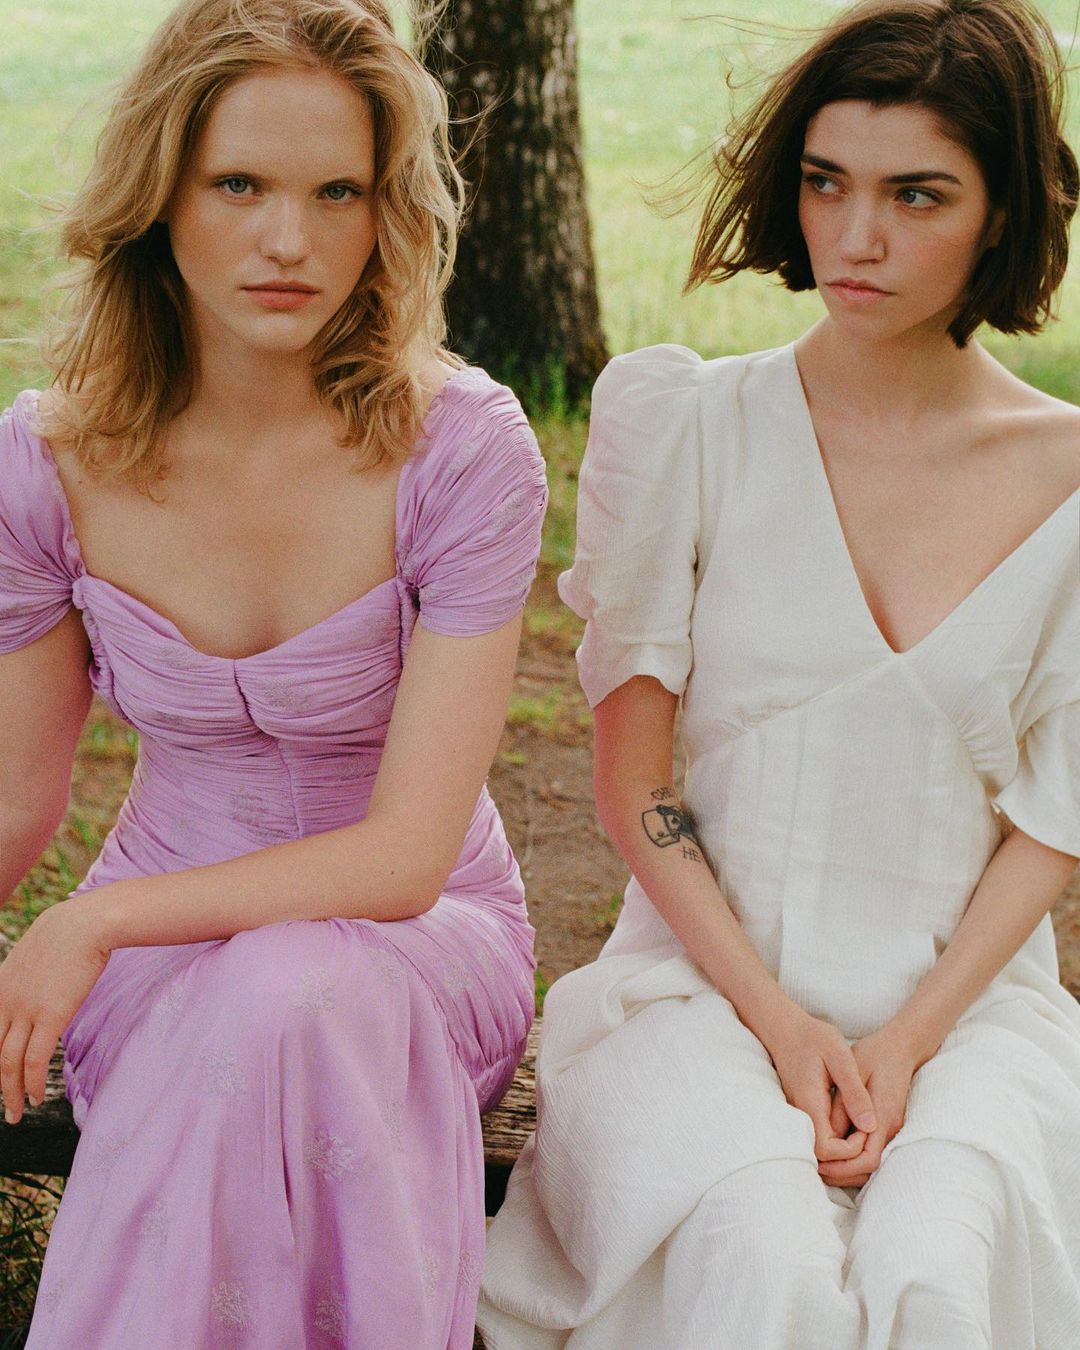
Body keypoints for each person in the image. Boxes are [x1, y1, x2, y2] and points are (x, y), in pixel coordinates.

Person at [477, 0, 1080, 1345]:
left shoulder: (1071, 478)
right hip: (699, 993)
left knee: (934, 1265)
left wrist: (907, 1043)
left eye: (917, 194)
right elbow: (634, 783)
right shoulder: (689, 426)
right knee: (763, 1260)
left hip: (971, 1015)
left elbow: (1059, 816)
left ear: (1002, 212)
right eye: (826, 181)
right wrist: (781, 1024)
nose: (855, 236)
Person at [0, 1, 548, 1345]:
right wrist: (93, 926)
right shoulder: (48, 461)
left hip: (416, 954)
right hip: (161, 964)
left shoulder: (463, 451)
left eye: (336, 191)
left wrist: (92, 921)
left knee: (286, 995)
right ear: (159, 194)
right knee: (245, 1008)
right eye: (238, 184)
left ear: (387, 211)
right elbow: (15, 799)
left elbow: (405, 859)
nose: (289, 240)